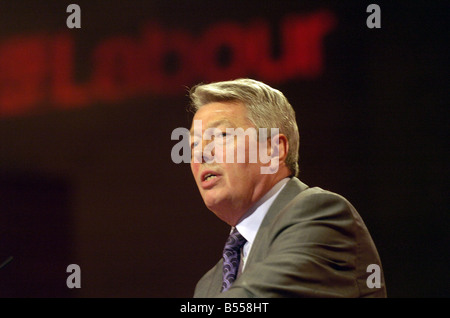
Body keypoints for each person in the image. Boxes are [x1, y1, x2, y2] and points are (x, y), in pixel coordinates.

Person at [187, 78, 386, 297]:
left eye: (221, 136)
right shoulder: (207, 286)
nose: (200, 153)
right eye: (193, 145)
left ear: (272, 150)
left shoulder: (321, 216)